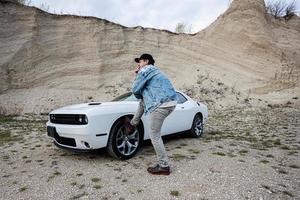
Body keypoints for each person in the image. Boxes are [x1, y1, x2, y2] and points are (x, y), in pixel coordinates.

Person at [130, 53, 177, 175]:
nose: (138, 65)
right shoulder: (155, 72)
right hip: (169, 103)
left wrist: (136, 74)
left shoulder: (146, 70)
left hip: (161, 104)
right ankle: (133, 123)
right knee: (142, 102)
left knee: (154, 135)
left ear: (145, 61)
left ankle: (164, 166)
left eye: (139, 62)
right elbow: (141, 98)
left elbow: (135, 90)